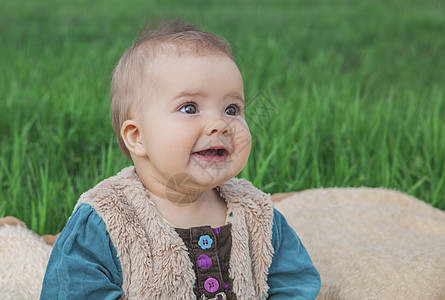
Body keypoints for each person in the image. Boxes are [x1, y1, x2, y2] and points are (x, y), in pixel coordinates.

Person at [40, 20, 321, 300]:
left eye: (232, 109)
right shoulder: (106, 220)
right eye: (190, 108)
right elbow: (73, 291)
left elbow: (295, 283)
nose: (220, 124)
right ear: (137, 137)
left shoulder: (257, 214)